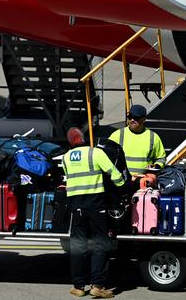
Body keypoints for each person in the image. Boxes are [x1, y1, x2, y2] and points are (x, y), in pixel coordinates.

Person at [63, 127, 125, 298]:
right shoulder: (95, 153)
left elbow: (69, 179)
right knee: (100, 244)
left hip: (76, 208)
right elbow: (114, 174)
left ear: (70, 142)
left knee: (78, 247)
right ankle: (97, 285)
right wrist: (123, 186)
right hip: (96, 206)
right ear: (83, 138)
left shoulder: (66, 158)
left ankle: (78, 286)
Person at [108, 104, 166, 176]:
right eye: (130, 117)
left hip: (143, 181)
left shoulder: (153, 137)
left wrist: (156, 166)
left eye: (136, 118)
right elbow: (106, 157)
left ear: (144, 119)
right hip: (122, 182)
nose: (132, 120)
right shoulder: (117, 135)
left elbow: (161, 158)